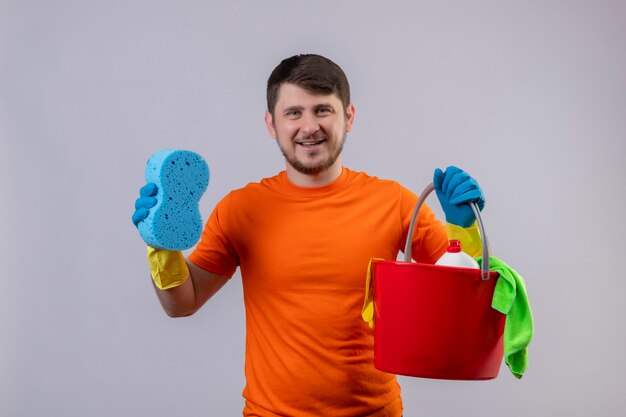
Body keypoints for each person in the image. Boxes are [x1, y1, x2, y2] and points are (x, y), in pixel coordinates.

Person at [132, 54, 486, 417]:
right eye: (293, 113)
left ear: (348, 117)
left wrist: (463, 228)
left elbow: (464, 301)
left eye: (322, 110)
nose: (309, 126)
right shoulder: (241, 209)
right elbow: (182, 303)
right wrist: (161, 247)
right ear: (271, 123)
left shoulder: (394, 203)